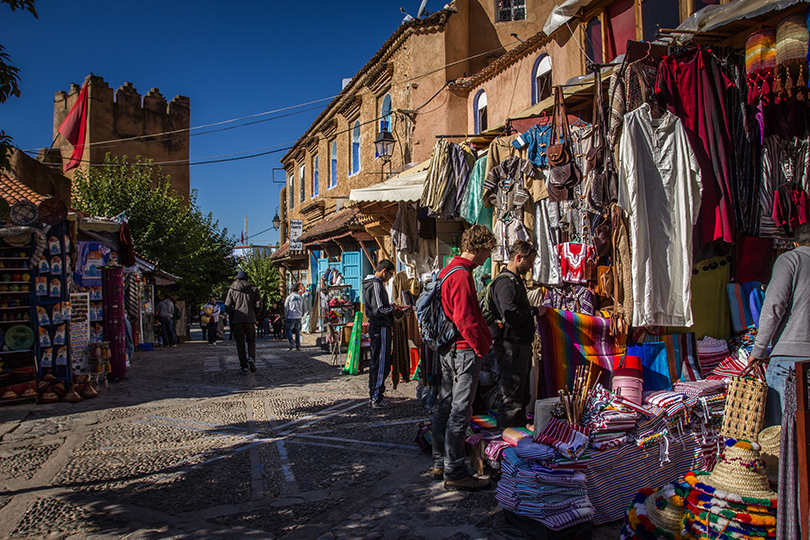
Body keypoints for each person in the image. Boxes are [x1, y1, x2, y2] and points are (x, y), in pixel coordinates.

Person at [432, 224, 496, 492]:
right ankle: (455, 472)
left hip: (449, 349)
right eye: (487, 251)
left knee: (445, 406)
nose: (488, 258)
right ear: (479, 248)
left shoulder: (449, 270)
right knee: (460, 410)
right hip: (463, 350)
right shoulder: (461, 275)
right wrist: (482, 346)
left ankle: (440, 461)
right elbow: (466, 318)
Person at [748, 222, 810, 427]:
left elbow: (774, 305)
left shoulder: (790, 259)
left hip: (789, 360)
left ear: (794, 243)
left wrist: (758, 350)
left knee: (781, 433)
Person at [489, 241, 541, 429]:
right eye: (529, 262)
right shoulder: (505, 283)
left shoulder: (513, 281)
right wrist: (534, 311)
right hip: (511, 347)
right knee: (511, 396)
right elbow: (510, 316)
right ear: (519, 258)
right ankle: (506, 440)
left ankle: (517, 434)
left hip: (518, 347)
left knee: (519, 394)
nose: (530, 267)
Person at [362, 259, 397, 409]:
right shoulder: (376, 284)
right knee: (381, 362)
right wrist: (393, 309)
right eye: (390, 274)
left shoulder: (370, 284)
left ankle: (376, 394)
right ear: (384, 271)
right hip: (380, 327)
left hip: (377, 327)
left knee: (377, 361)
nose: (389, 278)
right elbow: (379, 309)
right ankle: (376, 397)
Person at [225, 271, 263, 373]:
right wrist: (254, 314)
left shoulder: (232, 289)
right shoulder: (253, 289)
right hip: (250, 319)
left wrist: (233, 314)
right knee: (251, 340)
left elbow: (227, 305)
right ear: (247, 279)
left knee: (240, 343)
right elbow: (259, 305)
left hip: (237, 319)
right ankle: (251, 357)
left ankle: (244, 366)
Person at [284, 284, 305, 350]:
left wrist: (286, 315)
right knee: (297, 331)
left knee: (288, 329)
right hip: (298, 316)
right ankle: (298, 345)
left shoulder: (289, 297)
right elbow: (304, 307)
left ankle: (291, 341)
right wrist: (302, 314)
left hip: (291, 316)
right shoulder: (301, 297)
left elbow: (286, 307)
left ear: (291, 290)